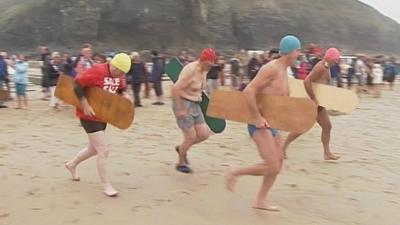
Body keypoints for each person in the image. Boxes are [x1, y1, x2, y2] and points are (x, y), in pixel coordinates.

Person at [225, 35, 302, 211]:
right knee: (272, 165)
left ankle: (260, 201)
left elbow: (281, 100)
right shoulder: (271, 69)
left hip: (274, 123)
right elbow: (248, 90)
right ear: (290, 51)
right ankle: (234, 172)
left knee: (278, 163)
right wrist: (257, 118)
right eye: (298, 50)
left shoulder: (285, 71)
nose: (300, 54)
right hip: (259, 122)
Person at [65, 53, 131, 197]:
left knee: (93, 149)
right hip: (88, 115)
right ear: (113, 65)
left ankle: (72, 164)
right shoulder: (97, 71)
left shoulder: (119, 76)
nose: (119, 75)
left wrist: (125, 95)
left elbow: (121, 88)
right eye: (118, 71)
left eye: (122, 74)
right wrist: (85, 104)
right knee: (103, 150)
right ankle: (106, 186)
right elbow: (77, 85)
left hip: (103, 115)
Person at [283, 48, 341, 161]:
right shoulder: (320, 67)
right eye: (335, 59)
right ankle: (282, 148)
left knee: (327, 126)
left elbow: (323, 85)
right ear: (330, 57)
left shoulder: (327, 67)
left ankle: (327, 153)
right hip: (313, 103)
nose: (336, 62)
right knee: (302, 127)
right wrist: (313, 98)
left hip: (320, 104)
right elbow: (307, 81)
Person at [171, 48, 216, 174]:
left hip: (196, 104)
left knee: (204, 134)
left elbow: (201, 90)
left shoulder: (205, 70)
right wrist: (180, 109)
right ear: (203, 60)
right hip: (183, 103)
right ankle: (180, 163)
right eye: (209, 64)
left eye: (212, 64)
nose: (210, 67)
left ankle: (181, 149)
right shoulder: (191, 69)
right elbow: (175, 88)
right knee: (190, 137)